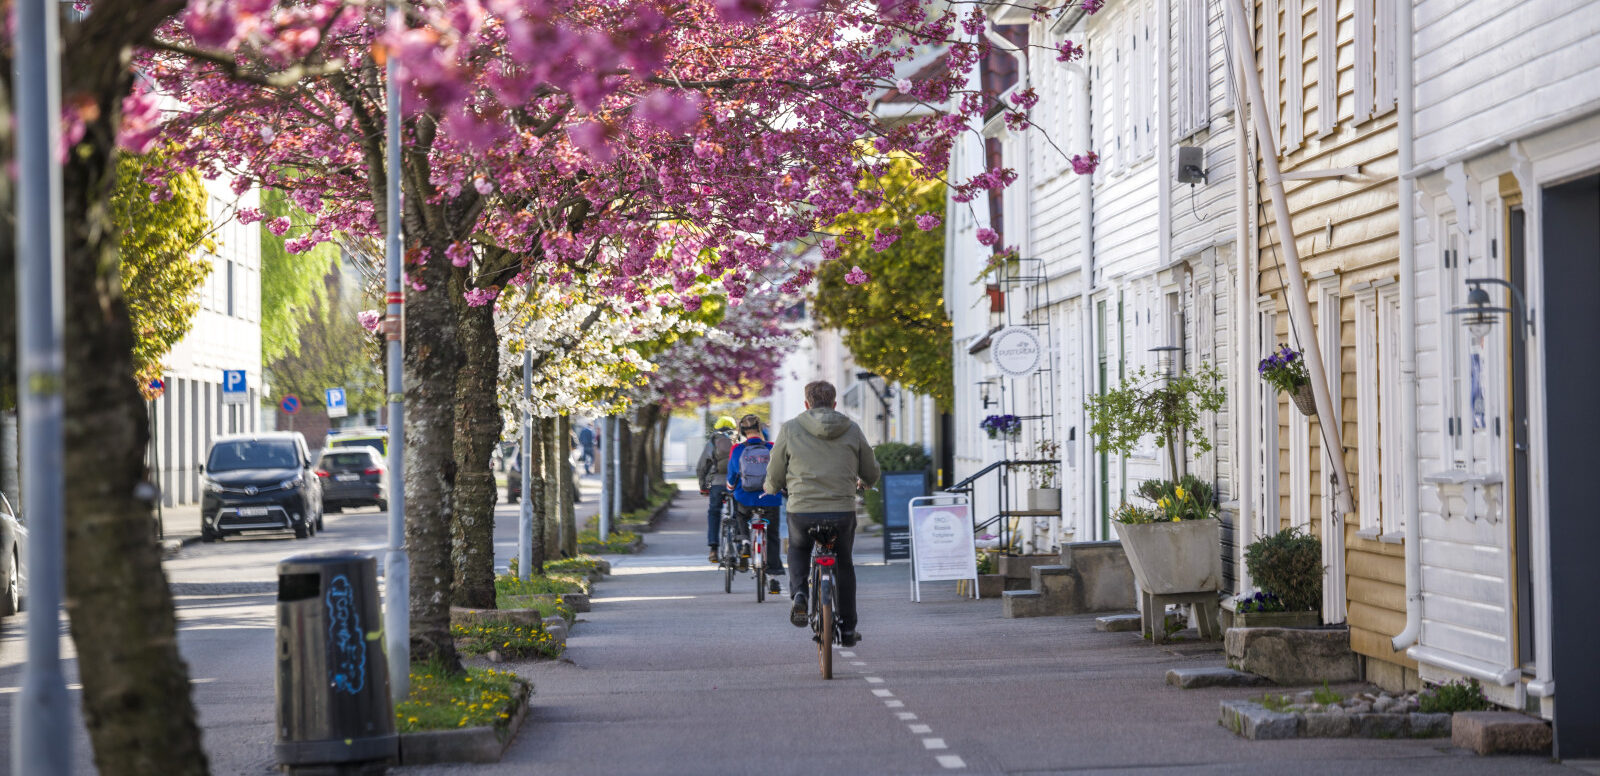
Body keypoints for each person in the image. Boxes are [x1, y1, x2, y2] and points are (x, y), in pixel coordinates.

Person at [765, 381, 879, 647]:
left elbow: (775, 470)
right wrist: (867, 482)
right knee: (844, 563)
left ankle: (800, 595)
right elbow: (870, 469)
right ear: (834, 404)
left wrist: (772, 487)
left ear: (806, 404)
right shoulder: (851, 428)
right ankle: (848, 630)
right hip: (841, 510)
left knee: (798, 548)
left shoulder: (790, 428)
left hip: (802, 510)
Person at [725, 414, 785, 594]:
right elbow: (782, 473)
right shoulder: (772, 447)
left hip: (746, 497)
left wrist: (730, 489)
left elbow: (731, 479)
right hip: (770, 497)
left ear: (742, 431)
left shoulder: (737, 450)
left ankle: (744, 541)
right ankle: (774, 578)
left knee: (741, 514)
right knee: (772, 535)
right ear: (761, 428)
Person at [695, 416, 738, 563]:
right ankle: (741, 544)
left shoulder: (713, 441)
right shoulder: (738, 439)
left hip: (717, 483)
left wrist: (703, 486)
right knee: (739, 513)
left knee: (714, 512)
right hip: (736, 483)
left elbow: (702, 465)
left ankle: (713, 549)